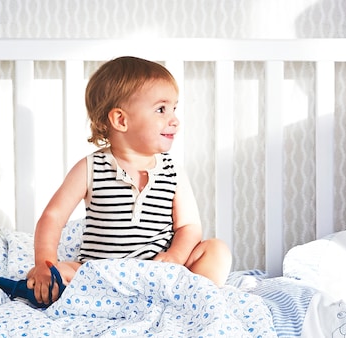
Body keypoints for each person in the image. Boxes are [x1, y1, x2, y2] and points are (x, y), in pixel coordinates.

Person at [26, 56, 232, 306]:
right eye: (161, 109)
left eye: (174, 108)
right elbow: (53, 217)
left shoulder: (173, 171)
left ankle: (195, 301)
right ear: (121, 120)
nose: (174, 119)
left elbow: (189, 226)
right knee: (62, 273)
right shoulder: (91, 168)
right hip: (101, 274)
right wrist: (45, 264)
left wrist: (175, 256)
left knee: (216, 250)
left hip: (159, 273)